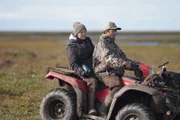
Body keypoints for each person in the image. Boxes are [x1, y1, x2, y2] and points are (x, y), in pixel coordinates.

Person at [93, 22, 138, 118]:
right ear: (106, 31)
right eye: (113, 31)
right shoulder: (102, 44)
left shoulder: (113, 44)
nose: (115, 33)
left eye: (115, 30)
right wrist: (125, 64)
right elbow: (109, 60)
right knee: (117, 86)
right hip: (103, 72)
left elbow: (123, 57)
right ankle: (102, 110)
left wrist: (135, 65)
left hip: (113, 72)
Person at [67, 22, 97, 115]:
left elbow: (94, 53)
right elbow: (73, 64)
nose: (84, 34)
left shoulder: (88, 41)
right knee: (93, 82)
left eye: (85, 32)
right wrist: (82, 72)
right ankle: (91, 109)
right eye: (81, 32)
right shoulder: (72, 46)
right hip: (82, 70)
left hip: (93, 67)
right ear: (77, 34)